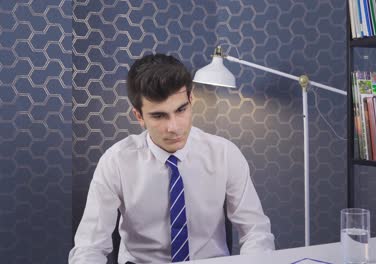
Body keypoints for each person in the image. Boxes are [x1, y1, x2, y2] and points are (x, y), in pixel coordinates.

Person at [69, 54, 275, 263]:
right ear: (139, 116)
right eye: (159, 116)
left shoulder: (225, 154)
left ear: (191, 100)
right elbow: (89, 248)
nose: (174, 127)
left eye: (181, 110)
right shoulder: (116, 162)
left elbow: (256, 232)